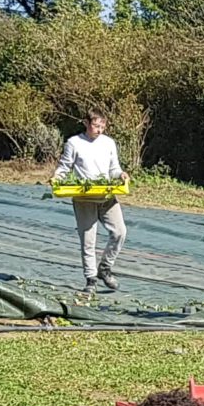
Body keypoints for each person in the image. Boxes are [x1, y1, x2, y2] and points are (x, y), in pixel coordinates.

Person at [54, 110, 128, 293]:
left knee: (119, 232)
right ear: (86, 123)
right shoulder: (74, 143)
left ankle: (105, 267)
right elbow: (64, 167)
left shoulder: (108, 143)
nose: (99, 130)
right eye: (96, 126)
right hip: (84, 197)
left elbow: (114, 168)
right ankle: (91, 279)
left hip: (106, 195)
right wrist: (56, 178)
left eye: (103, 127)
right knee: (88, 239)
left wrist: (121, 174)